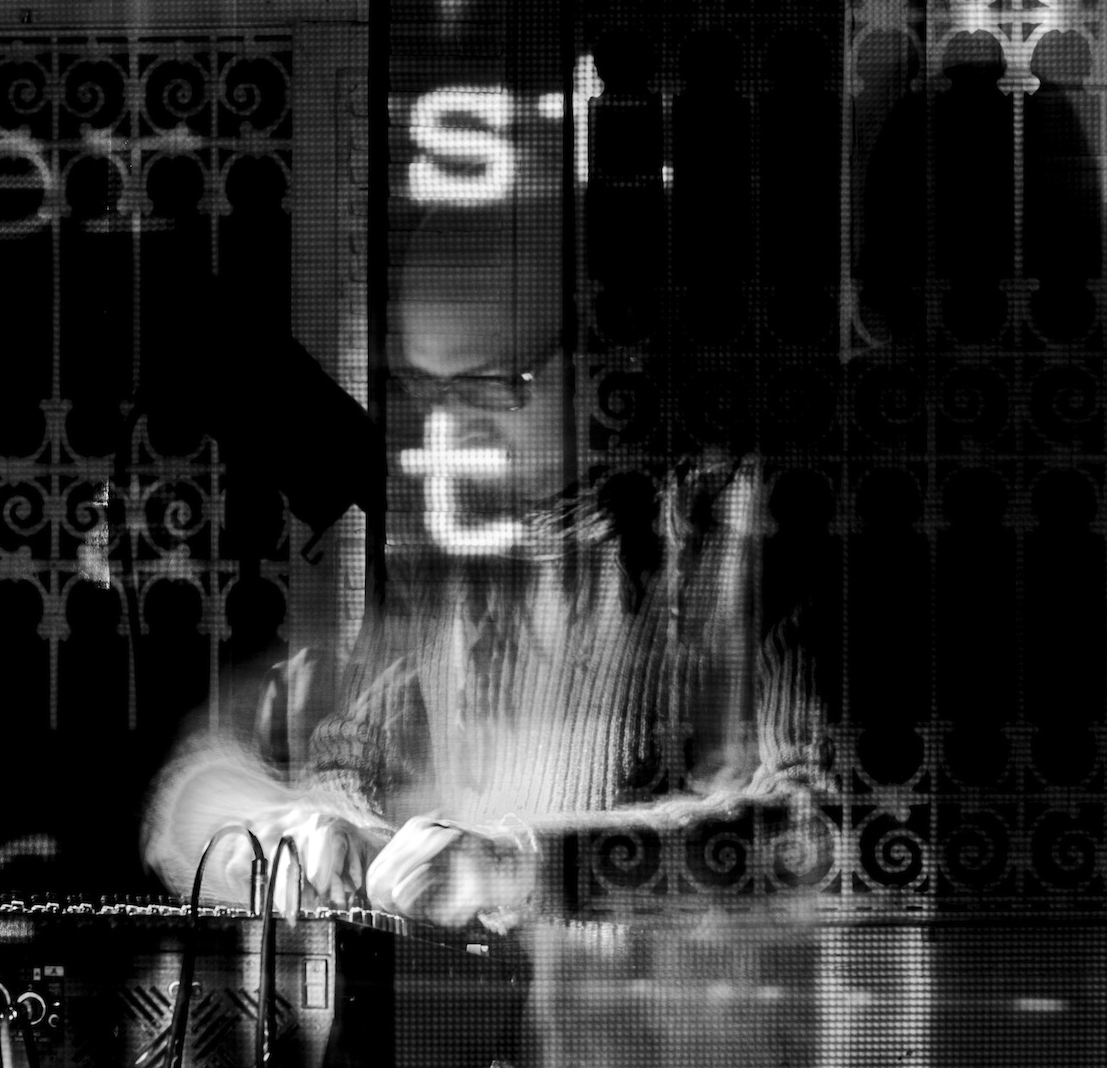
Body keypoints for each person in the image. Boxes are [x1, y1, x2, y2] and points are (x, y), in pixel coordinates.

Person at [140, 208, 829, 930]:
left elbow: (826, 833)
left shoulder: (751, 531)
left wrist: (520, 867)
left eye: (490, 385)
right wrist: (325, 831)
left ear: (606, 355)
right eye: (426, 389)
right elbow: (347, 767)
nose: (447, 429)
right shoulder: (457, 551)